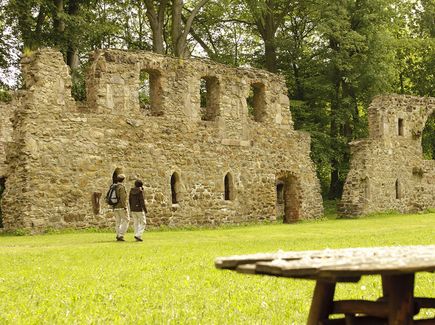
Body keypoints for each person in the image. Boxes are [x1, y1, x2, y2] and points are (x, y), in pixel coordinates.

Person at [113, 174, 129, 241]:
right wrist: (125, 207)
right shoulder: (121, 187)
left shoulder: (114, 186)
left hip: (115, 206)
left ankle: (117, 234)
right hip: (121, 206)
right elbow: (123, 198)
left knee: (118, 221)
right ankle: (121, 235)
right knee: (126, 220)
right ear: (123, 180)